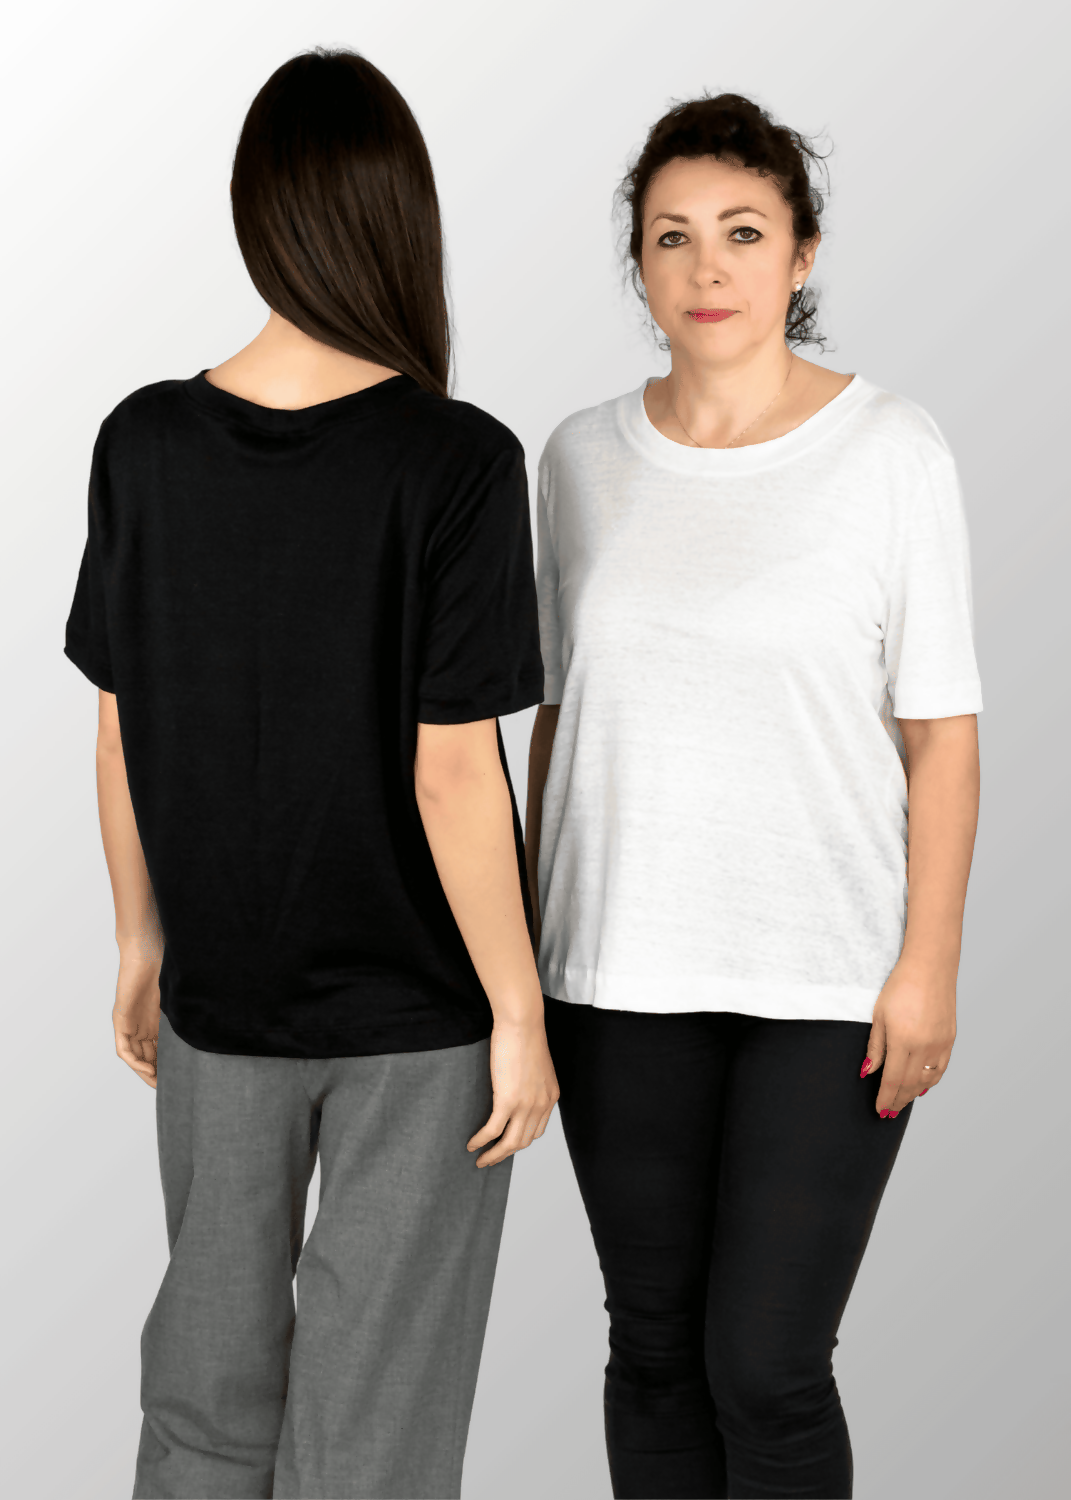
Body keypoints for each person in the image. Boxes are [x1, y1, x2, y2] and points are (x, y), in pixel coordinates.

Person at [64, 48, 558, 1500]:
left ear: (256, 215)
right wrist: (518, 1010)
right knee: (374, 1432)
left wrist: (140, 942)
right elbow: (453, 775)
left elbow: (120, 730)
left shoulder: (143, 442)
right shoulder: (459, 462)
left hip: (219, 997)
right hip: (419, 1018)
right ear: (402, 220)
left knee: (202, 1403)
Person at [526, 93, 981, 1500]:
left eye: (740, 232)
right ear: (638, 264)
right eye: (671, 237)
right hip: (613, 977)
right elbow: (557, 721)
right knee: (653, 1351)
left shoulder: (891, 452)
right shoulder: (576, 460)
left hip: (825, 982)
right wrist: (524, 960)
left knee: (766, 1367)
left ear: (801, 254)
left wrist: (927, 967)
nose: (706, 267)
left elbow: (943, 737)